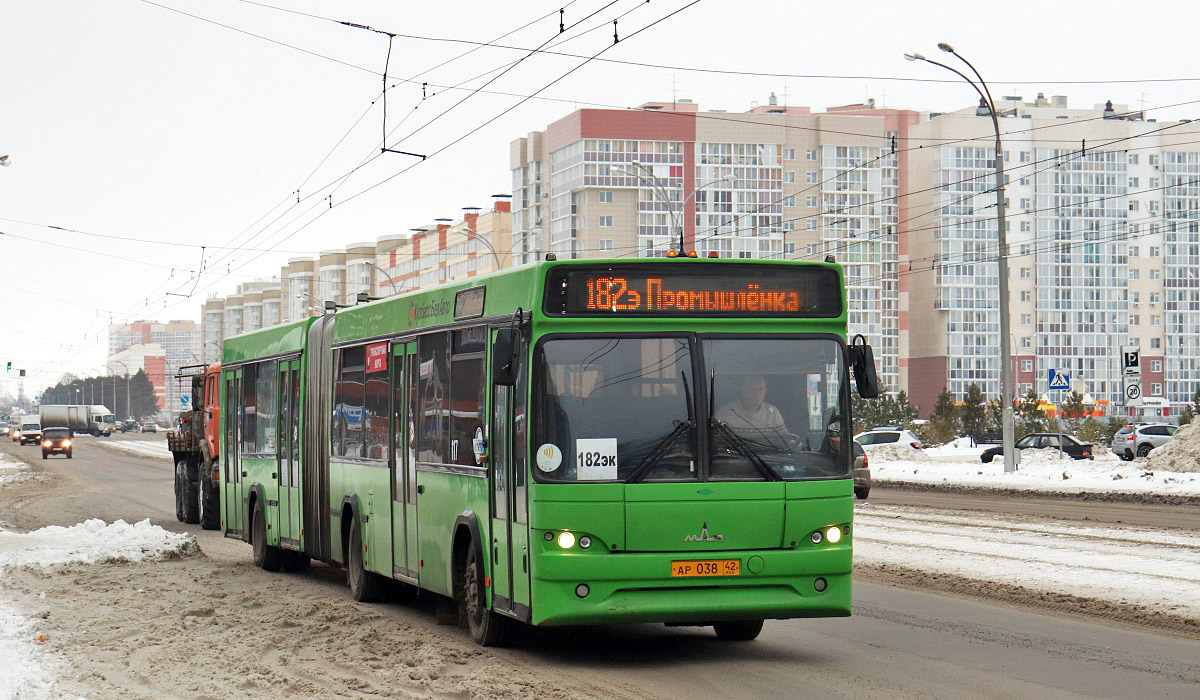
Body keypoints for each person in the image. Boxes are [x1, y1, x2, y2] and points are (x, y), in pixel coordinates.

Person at [716, 375, 788, 435]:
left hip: (767, 451)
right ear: (743, 391)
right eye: (751, 389)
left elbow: (785, 440)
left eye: (760, 389)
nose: (756, 394)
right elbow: (716, 439)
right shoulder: (726, 412)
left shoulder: (773, 413)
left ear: (765, 391)